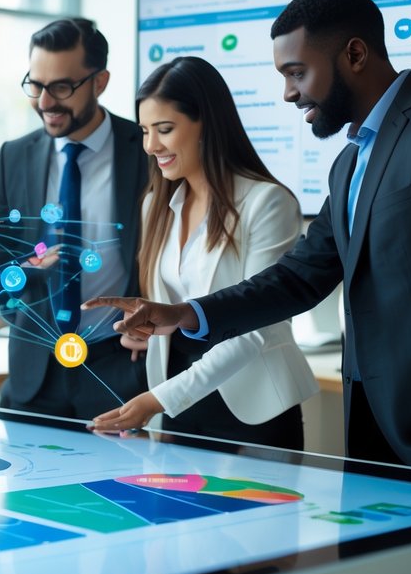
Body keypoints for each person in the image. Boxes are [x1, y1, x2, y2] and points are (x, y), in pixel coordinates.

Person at [86, 0, 411, 574]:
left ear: (354, 54)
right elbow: (302, 277)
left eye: (295, 73)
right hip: (376, 456)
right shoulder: (349, 164)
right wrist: (184, 312)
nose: (285, 94)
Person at [90, 56, 317, 447]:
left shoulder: (267, 203)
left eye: (164, 129)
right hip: (177, 402)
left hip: (252, 406)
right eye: (145, 131)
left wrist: (159, 399)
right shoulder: (155, 206)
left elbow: (256, 325)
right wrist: (150, 330)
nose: (151, 145)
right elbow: (178, 308)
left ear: (206, 125)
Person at [0, 18, 148, 421]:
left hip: (117, 369)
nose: (45, 102)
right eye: (36, 85)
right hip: (31, 377)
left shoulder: (146, 151)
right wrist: (27, 274)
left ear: (100, 81)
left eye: (61, 87)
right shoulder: (14, 156)